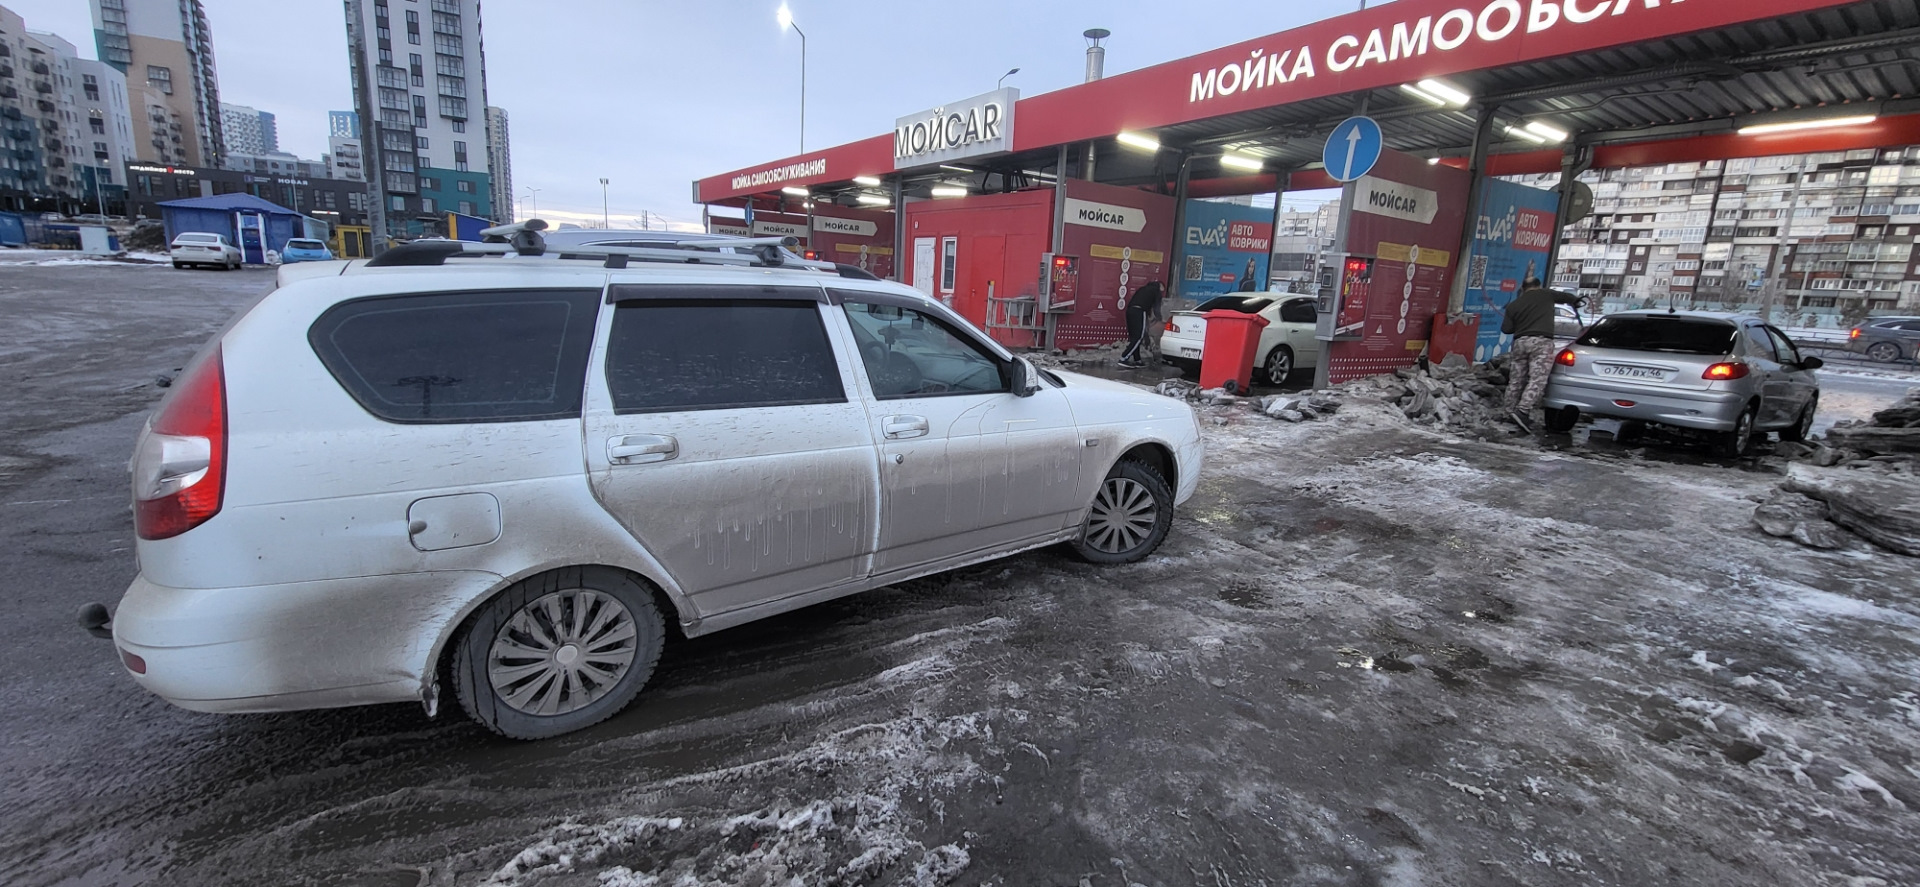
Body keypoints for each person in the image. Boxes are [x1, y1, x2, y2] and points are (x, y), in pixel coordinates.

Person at [1500, 276, 1583, 430]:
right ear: (1538, 285)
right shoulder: (1546, 294)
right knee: (1538, 379)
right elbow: (1568, 297)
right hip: (1541, 342)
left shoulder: (1513, 305)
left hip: (1520, 343)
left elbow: (1506, 329)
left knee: (1516, 379)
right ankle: (1523, 411)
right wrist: (1576, 300)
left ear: (1522, 288)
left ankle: (1508, 412)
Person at [1118, 280, 1164, 368]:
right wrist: (1159, 318)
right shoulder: (1156, 291)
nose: (1162, 291)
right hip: (1139, 311)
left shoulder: (1143, 289)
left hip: (1130, 311)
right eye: (1162, 288)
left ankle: (1137, 360)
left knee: (1134, 337)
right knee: (1139, 337)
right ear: (1159, 286)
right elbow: (1156, 308)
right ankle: (1124, 358)